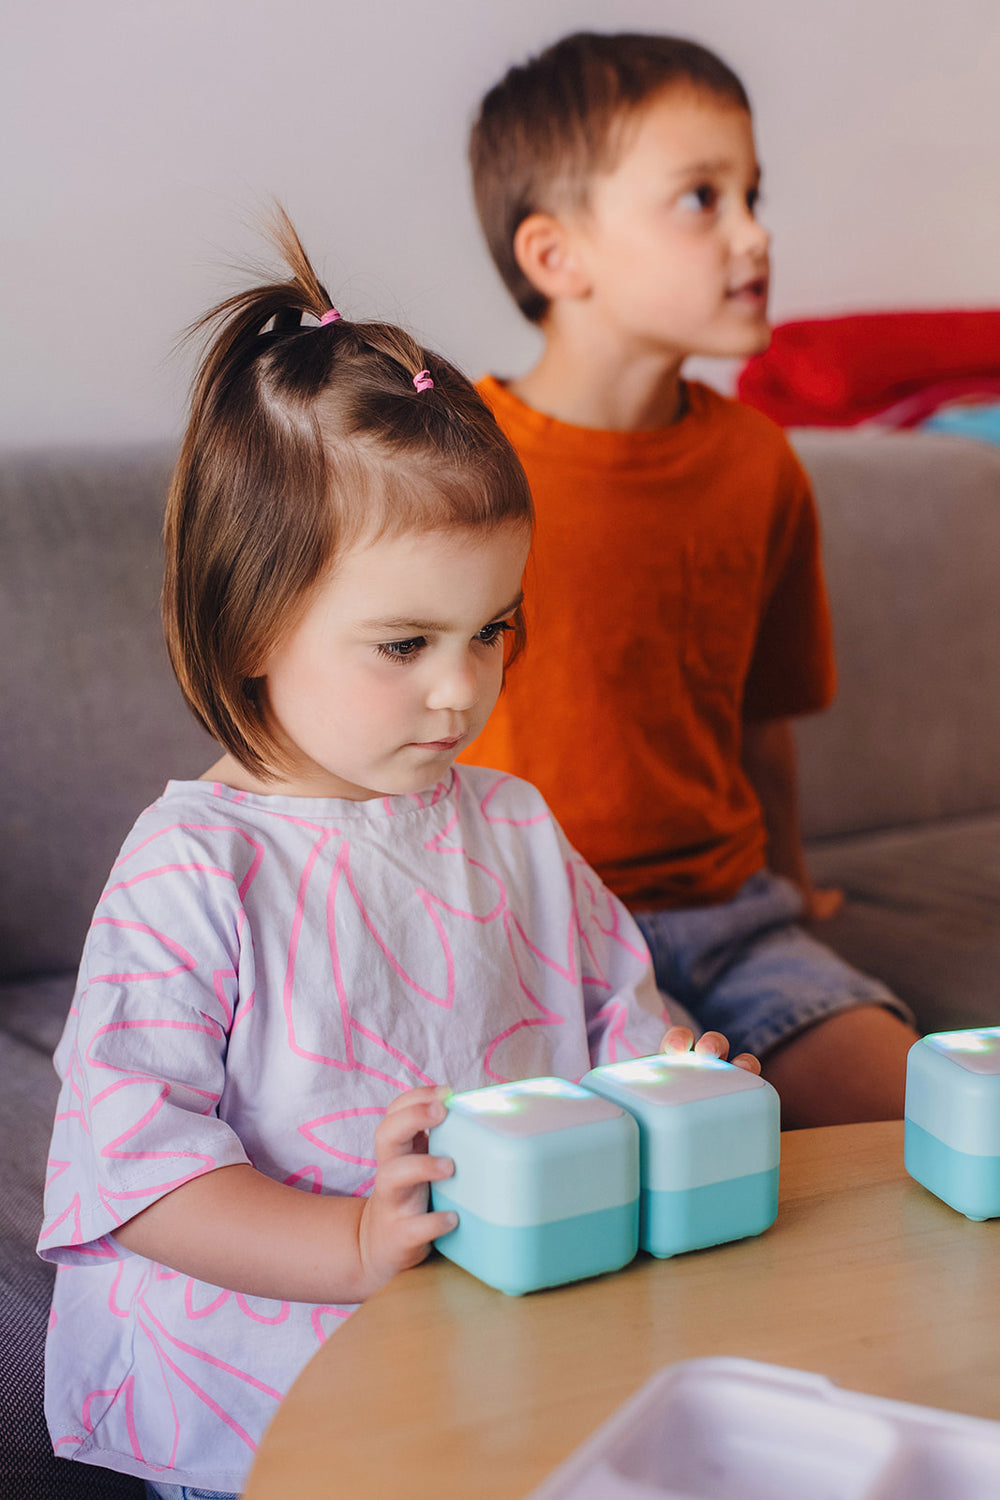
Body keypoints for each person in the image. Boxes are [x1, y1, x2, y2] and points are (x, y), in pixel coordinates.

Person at [37, 213, 757, 1499]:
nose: (460, 690)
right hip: (271, 1392)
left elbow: (614, 1013)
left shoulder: (513, 825)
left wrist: (675, 1081)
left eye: (491, 629)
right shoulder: (194, 870)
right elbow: (135, 1173)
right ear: (250, 623)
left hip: (509, 1347)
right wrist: (349, 1245)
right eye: (403, 644)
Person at [462, 31, 919, 1128]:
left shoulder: (760, 463)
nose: (755, 234)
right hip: (533, 933)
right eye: (700, 199)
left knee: (933, 1116)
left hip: (734, 921)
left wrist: (797, 891)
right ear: (556, 255)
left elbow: (763, 720)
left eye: (752, 194)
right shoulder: (453, 461)